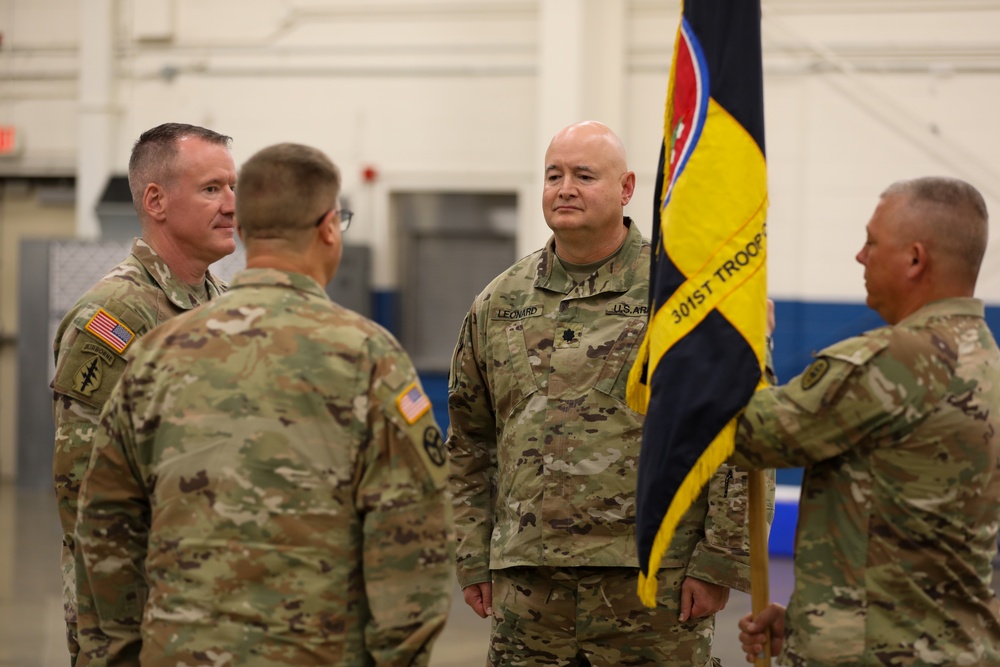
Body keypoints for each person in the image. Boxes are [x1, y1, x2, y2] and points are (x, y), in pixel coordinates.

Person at [74, 142, 456, 666]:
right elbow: (415, 544)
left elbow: (104, 526)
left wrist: (120, 656)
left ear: (246, 231)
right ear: (328, 228)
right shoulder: (370, 358)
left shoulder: (158, 354)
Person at [446, 120, 757, 666]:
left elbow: (737, 434)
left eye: (584, 175)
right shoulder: (498, 303)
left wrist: (719, 562)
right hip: (529, 589)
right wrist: (473, 556)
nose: (565, 188)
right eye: (554, 175)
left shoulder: (682, 295)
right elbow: (470, 443)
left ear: (627, 188)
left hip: (652, 590)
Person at [734, 176, 1000, 665]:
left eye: (872, 242)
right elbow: (911, 529)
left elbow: (746, 435)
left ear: (916, 259)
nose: (860, 256)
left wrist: (749, 346)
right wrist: (811, 624)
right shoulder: (984, 357)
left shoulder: (899, 358)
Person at [51, 122, 237, 663]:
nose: (230, 205)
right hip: (138, 616)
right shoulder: (114, 316)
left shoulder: (224, 304)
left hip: (210, 605)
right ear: (156, 200)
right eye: (211, 189)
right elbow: (82, 493)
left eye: (232, 187)